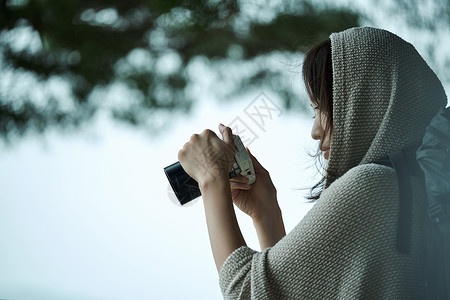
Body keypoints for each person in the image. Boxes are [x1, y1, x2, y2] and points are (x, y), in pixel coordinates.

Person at [178, 27, 448, 299]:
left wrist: (212, 179)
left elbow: (246, 293)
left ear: (364, 100)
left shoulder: (373, 186)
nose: (315, 131)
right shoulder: (411, 188)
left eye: (321, 107)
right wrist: (267, 215)